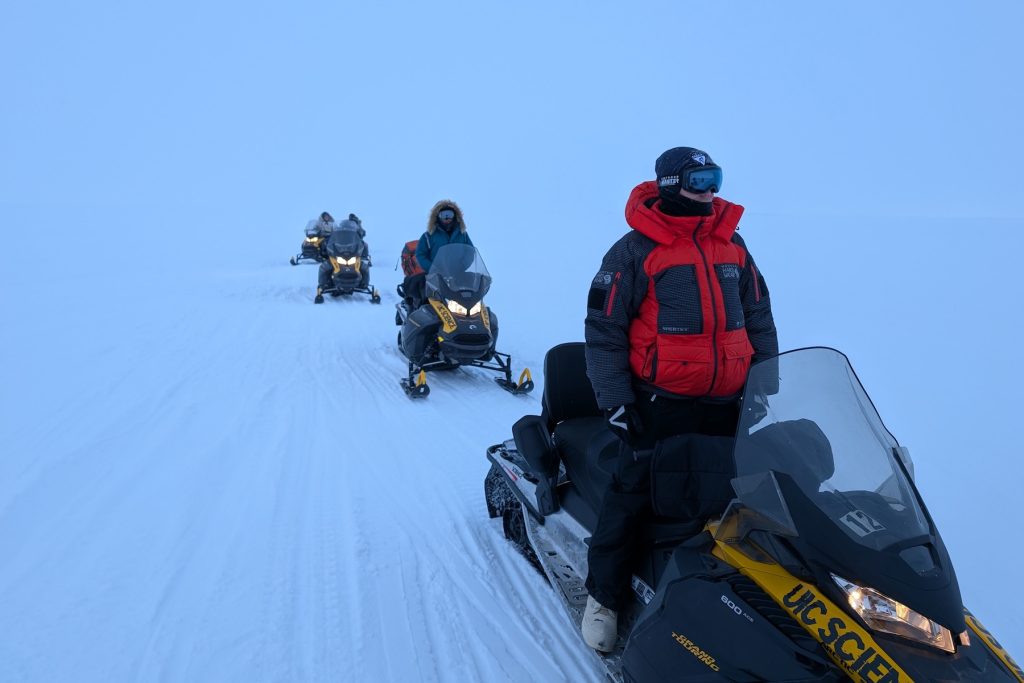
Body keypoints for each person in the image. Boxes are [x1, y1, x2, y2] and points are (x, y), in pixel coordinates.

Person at [580, 146, 778, 652]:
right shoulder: (633, 251)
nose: (710, 190)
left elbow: (758, 315)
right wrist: (616, 401)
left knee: (738, 495)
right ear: (670, 183)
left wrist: (766, 383)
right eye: (699, 179)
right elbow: (604, 331)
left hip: (728, 400)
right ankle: (603, 597)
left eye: (716, 177)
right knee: (632, 495)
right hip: (658, 402)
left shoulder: (733, 244)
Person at [406, 200, 473, 309]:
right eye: (444, 215)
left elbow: (470, 252)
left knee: (468, 299)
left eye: (450, 215)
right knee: (428, 301)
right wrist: (433, 268)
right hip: (435, 276)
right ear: (437, 217)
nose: (447, 218)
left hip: (457, 275)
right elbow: (420, 254)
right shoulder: (429, 236)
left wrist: (463, 266)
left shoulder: (462, 234)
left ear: (456, 216)